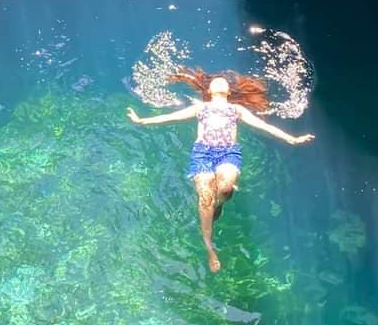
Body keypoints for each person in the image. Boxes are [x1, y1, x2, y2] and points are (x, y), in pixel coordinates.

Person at [127, 68, 314, 273]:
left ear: (228, 92)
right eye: (215, 82)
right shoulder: (201, 107)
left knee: (224, 188)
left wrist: (291, 138)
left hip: (228, 153)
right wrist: (141, 121)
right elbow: (171, 117)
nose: (219, 82)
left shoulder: (237, 110)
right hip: (203, 154)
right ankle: (209, 247)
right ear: (209, 90)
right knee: (205, 196)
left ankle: (221, 203)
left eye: (223, 82)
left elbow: (263, 126)